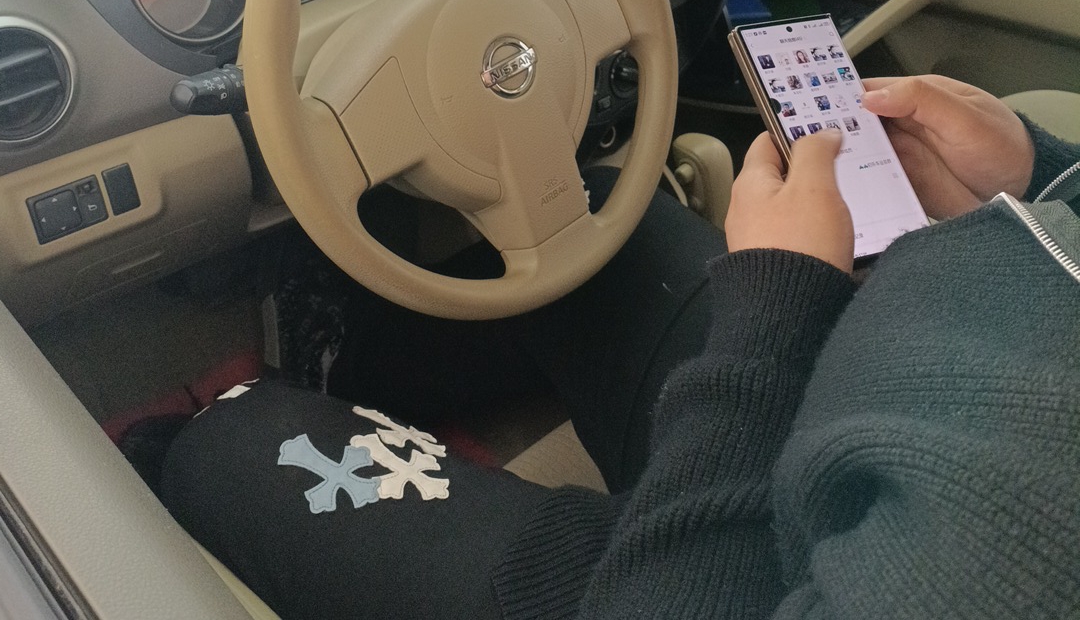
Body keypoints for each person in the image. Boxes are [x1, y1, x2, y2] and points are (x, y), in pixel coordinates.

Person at [161, 74, 1080, 618]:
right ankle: (344, 360)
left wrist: (773, 308)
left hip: (726, 572)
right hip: (882, 400)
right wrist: (1045, 176)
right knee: (600, 222)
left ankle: (169, 444)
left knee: (226, 445)